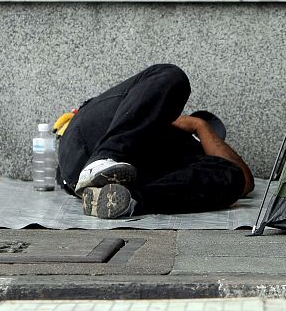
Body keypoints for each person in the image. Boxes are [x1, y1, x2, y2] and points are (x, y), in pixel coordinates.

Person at [57, 64, 254, 218]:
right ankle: (103, 158)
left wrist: (200, 126)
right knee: (172, 76)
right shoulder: (142, 111)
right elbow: (158, 89)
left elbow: (244, 182)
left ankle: (124, 201)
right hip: (89, 137)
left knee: (232, 176)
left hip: (112, 180)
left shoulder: (188, 159)